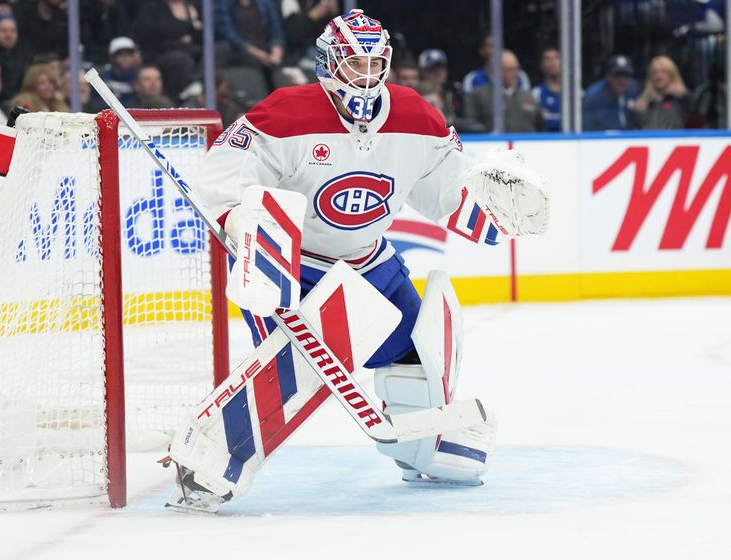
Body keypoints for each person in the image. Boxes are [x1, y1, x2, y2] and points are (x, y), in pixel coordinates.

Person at [163, 9, 549, 514]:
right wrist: (240, 220)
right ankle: (206, 464)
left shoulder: (416, 116)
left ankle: (422, 448)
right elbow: (224, 174)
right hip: (295, 266)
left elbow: (446, 192)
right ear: (329, 64)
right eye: (354, 64)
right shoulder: (285, 113)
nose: (365, 77)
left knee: (417, 354)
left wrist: (487, 212)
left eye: (374, 64)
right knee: (287, 375)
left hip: (373, 264)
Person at [462, 50, 542, 133]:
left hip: (528, 144)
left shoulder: (528, 96)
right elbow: (470, 126)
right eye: (509, 69)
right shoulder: (477, 95)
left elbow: (541, 127)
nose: (515, 73)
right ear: (495, 71)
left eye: (516, 68)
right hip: (491, 144)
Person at [582, 54, 640, 131]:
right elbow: (586, 131)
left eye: (626, 76)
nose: (622, 80)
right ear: (608, 77)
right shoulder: (593, 97)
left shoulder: (634, 89)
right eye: (617, 75)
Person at [632, 55, 690, 130]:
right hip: (650, 140)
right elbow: (632, 128)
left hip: (674, 140)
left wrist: (687, 96)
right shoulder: (643, 102)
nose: (658, 76)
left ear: (672, 74)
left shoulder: (681, 98)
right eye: (654, 72)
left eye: (664, 72)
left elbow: (698, 119)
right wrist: (635, 113)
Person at [462, 33, 530, 95]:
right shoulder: (472, 79)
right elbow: (470, 105)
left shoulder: (520, 76)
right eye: (490, 46)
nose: (495, 50)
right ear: (481, 51)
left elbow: (525, 103)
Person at [99, 36, 142, 107]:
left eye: (129, 55)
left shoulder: (136, 76)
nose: (126, 58)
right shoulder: (101, 75)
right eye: (121, 55)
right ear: (112, 57)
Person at [531, 47, 562, 132]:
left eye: (556, 58)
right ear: (541, 65)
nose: (552, 63)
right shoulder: (535, 93)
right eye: (548, 59)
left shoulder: (576, 93)